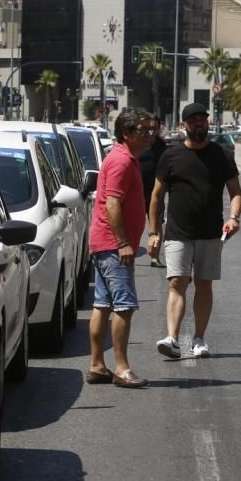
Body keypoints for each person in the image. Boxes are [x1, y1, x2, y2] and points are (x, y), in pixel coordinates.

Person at [148, 103, 241, 360]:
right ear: (183, 126)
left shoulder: (222, 154)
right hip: (178, 232)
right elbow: (156, 197)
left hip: (211, 233)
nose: (199, 123)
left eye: (203, 119)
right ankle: (172, 338)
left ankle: (199, 338)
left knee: (203, 284)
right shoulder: (170, 156)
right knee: (177, 283)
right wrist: (154, 232)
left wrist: (234, 217)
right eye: (193, 120)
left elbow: (235, 193)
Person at [86, 107, 154, 388]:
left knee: (102, 304)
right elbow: (112, 203)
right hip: (114, 246)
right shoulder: (122, 161)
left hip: (105, 243)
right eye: (143, 130)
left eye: (151, 129)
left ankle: (97, 366)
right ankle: (121, 368)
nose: (149, 135)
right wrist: (123, 242)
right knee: (123, 306)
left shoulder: (125, 158)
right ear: (126, 134)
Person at [137, 116, 168, 267]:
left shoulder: (162, 146)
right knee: (135, 223)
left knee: (156, 225)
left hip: (157, 193)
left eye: (154, 128)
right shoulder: (138, 144)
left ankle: (154, 256)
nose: (151, 131)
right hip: (137, 192)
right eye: (148, 128)